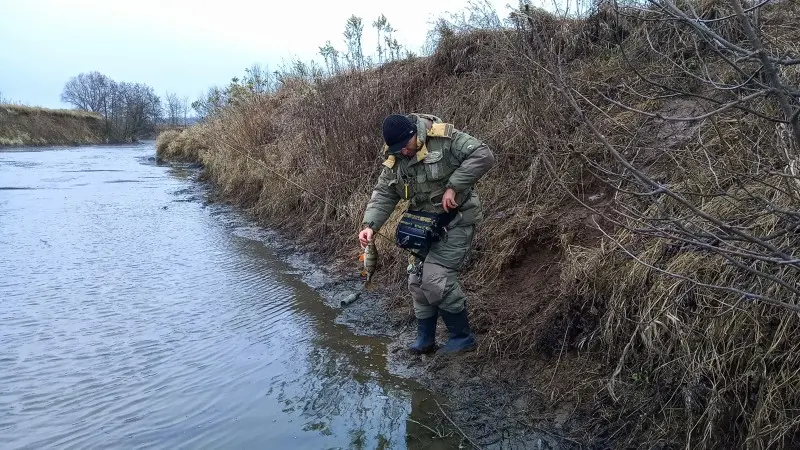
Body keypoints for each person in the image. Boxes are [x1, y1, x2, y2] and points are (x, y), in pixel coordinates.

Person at [358, 113, 495, 354]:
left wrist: (454, 186)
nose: (404, 153)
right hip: (422, 226)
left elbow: (483, 155)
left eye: (406, 147)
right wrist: (370, 225)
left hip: (457, 220)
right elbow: (384, 193)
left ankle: (462, 337)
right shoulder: (397, 155)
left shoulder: (443, 138)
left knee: (435, 279)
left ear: (414, 134)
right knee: (416, 280)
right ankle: (425, 339)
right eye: (399, 150)